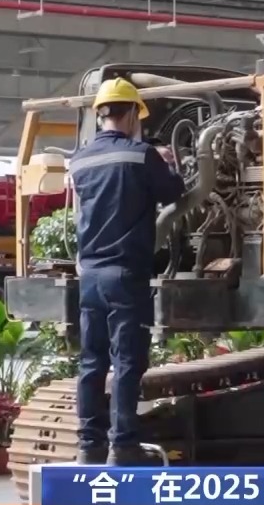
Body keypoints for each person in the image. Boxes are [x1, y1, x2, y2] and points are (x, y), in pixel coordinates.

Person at [69, 77, 185, 465]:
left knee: (92, 361)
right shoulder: (142, 155)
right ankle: (122, 446)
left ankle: (89, 446)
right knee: (126, 363)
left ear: (99, 114)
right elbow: (173, 193)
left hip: (90, 274)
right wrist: (170, 162)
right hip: (125, 274)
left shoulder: (80, 160)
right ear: (134, 113)